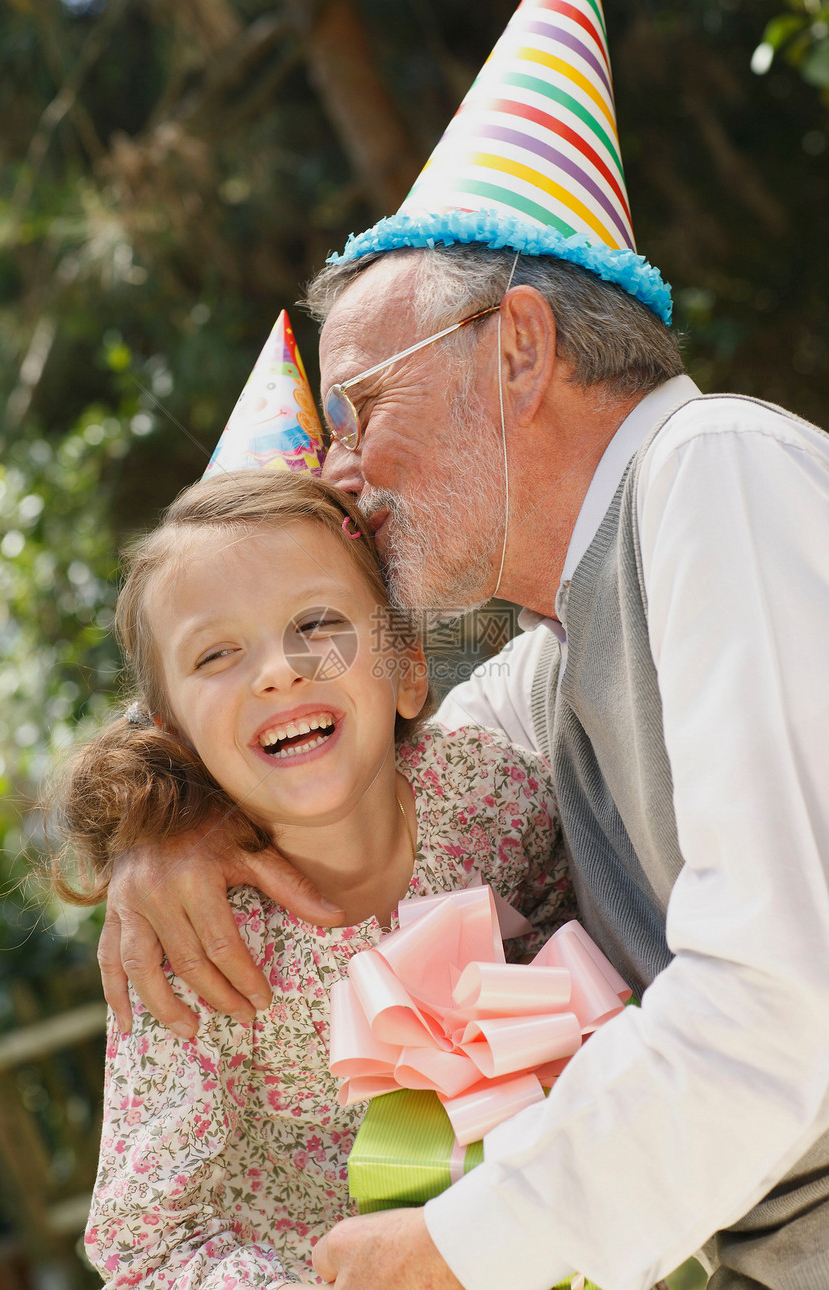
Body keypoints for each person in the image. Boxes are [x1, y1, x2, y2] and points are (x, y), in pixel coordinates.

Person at [96, 2, 829, 1287]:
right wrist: (174, 823)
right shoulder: (565, 647)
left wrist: (456, 1247)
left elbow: (782, 999)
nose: (338, 473)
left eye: (362, 404)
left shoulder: (711, 474)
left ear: (519, 352)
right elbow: (354, 768)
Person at [50, 468, 570, 1290]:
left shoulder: (489, 795)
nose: (276, 671)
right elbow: (146, 1248)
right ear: (179, 741)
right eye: (217, 652)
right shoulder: (199, 953)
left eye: (317, 623)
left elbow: (585, 950)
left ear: (405, 668)